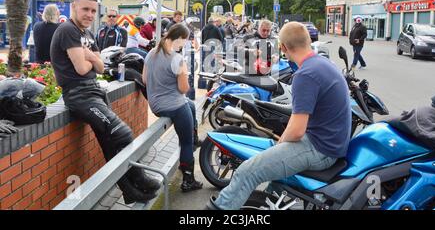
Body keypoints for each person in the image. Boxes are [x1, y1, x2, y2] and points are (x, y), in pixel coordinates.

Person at [206, 22, 352, 210]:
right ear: (308, 41)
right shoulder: (323, 64)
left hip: (319, 149)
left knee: (247, 172)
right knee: (274, 182)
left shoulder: (306, 74)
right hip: (331, 144)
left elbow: (297, 130)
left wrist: (279, 145)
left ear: (282, 47)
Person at [49, 0, 161, 204]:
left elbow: (100, 67)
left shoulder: (88, 35)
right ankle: (139, 178)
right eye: (85, 9)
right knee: (123, 134)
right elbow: (82, 69)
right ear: (74, 7)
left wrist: (89, 56)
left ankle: (130, 191)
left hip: (94, 90)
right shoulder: (67, 31)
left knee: (109, 141)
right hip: (79, 95)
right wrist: (92, 59)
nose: (90, 14)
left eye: (93, 10)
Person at [143, 24, 203, 193]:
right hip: (174, 106)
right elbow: (184, 89)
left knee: (191, 105)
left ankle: (194, 137)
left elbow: (145, 79)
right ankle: (188, 180)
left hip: (156, 106)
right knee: (185, 142)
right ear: (180, 39)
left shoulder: (151, 53)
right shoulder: (176, 59)